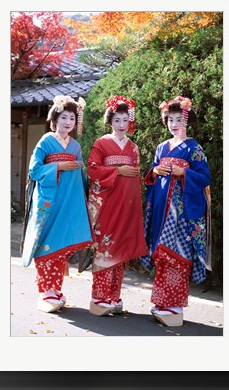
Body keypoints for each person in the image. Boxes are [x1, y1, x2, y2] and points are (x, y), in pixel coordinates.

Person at [141, 96, 211, 326]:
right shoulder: (162, 147)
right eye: (170, 119)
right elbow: (152, 175)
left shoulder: (194, 148)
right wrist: (154, 172)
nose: (174, 124)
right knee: (163, 256)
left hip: (182, 213)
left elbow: (204, 177)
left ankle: (175, 306)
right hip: (163, 210)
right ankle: (161, 303)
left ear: (186, 120)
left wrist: (184, 174)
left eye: (179, 119)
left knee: (178, 256)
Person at [22, 95, 93, 313]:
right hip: (49, 201)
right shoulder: (45, 141)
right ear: (55, 118)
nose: (68, 122)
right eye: (64, 117)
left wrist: (86, 196)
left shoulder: (75, 146)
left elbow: (81, 177)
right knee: (46, 244)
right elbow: (34, 170)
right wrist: (59, 166)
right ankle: (45, 292)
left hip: (69, 201)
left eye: (72, 118)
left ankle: (55, 289)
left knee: (61, 246)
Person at [87, 95, 148, 316]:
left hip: (126, 205)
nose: (121, 126)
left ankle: (114, 297)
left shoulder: (133, 148)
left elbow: (136, 179)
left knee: (120, 251)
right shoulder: (101, 144)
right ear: (110, 122)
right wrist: (118, 171)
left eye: (125, 121)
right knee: (105, 249)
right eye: (117, 121)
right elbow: (92, 169)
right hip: (107, 205)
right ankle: (99, 297)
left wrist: (134, 208)